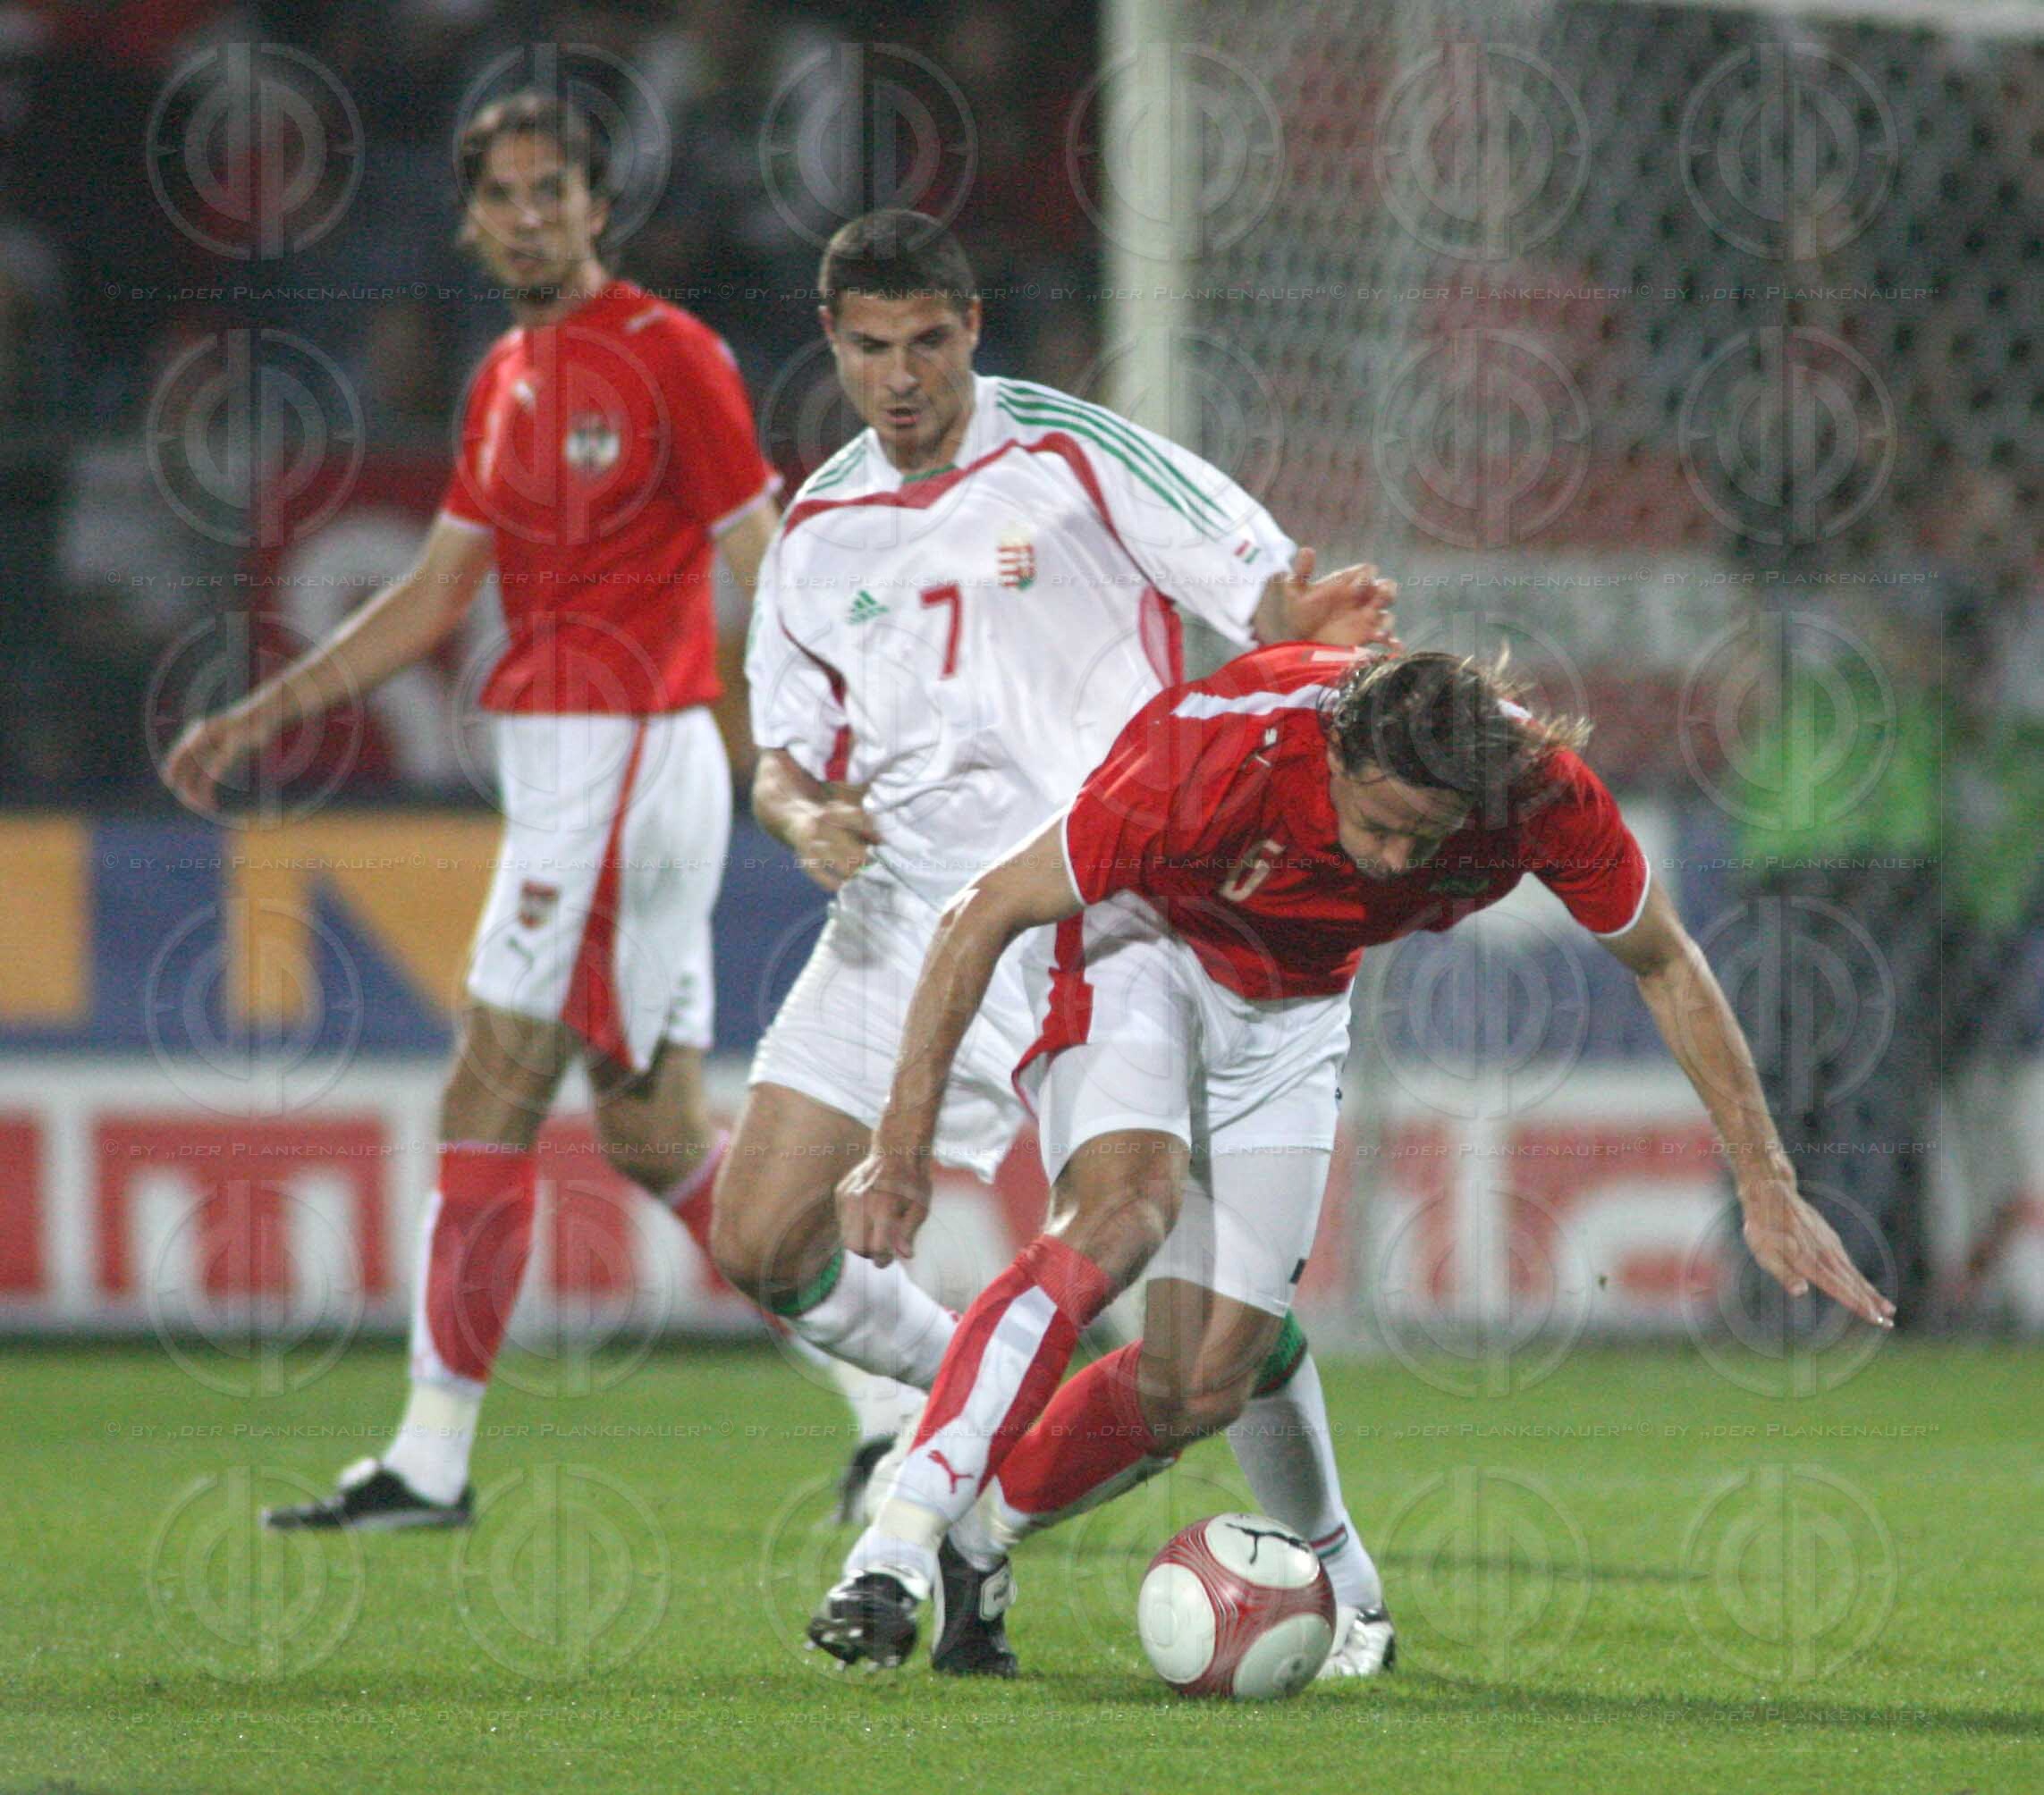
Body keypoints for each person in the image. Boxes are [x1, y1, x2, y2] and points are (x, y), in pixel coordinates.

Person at [810, 642, 1896, 1668]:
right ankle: (892, 1552)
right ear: (1335, 752)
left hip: (1296, 1003)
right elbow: (982, 911)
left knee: (1206, 1380)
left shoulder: (1538, 793)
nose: (1393, 859)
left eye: (1426, 839)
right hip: (1143, 947)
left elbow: (1664, 960)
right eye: (1377, 823)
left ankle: (980, 1540)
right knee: (1122, 1212)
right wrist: (900, 1149)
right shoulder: (1216, 752)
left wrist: (1767, 1181)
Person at [714, 209, 1400, 1677]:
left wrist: (1300, 617)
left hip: (1093, 906)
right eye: (869, 349)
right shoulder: (815, 533)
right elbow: (780, 752)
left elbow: (1256, 586)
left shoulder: (1075, 453)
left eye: (928, 342)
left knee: (1150, 1245)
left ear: (971, 327)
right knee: (760, 1236)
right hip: (899, 913)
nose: (902, 377)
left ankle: (971, 1477)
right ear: (832, 345)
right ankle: (972, 1381)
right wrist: (800, 813)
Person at [162, 92, 782, 1529]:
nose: (525, 215)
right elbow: (438, 590)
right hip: (577, 771)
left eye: (550, 189)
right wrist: (263, 713)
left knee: (487, 1085)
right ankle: (911, 1396)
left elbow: (767, 552)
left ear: (597, 204)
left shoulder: (668, 351)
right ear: (471, 218)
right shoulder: (507, 372)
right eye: (500, 194)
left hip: (623, 760)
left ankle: (430, 1461)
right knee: (653, 1134)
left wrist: (822, 727)